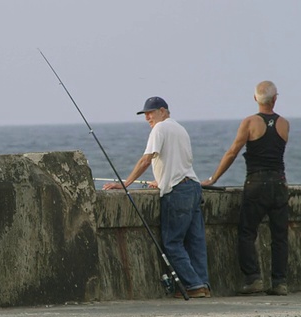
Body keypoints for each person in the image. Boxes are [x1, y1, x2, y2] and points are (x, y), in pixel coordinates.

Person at [103, 96, 210, 298]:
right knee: (195, 242)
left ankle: (193, 285)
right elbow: (177, 162)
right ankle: (203, 285)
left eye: (150, 113)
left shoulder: (159, 129)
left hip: (177, 191)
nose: (147, 118)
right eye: (145, 114)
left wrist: (126, 183)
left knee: (172, 242)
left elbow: (146, 159)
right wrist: (161, 180)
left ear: (163, 110)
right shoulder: (180, 129)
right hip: (193, 187)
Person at [201, 80, 289, 296]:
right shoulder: (284, 124)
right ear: (275, 99)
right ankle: (279, 282)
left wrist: (213, 178)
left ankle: (253, 278)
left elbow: (232, 152)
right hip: (279, 182)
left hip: (256, 183)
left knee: (247, 232)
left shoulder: (250, 122)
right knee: (279, 235)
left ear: (255, 99)